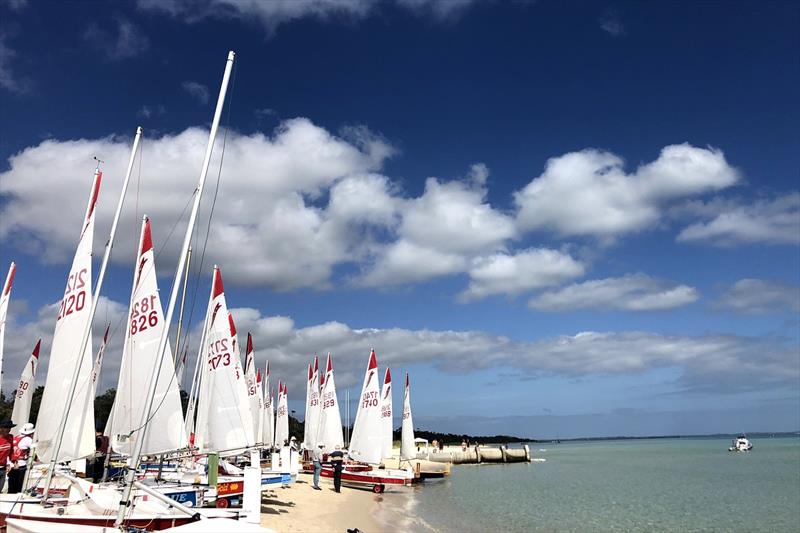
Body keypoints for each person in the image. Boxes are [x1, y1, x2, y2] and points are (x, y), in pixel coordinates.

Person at [8, 422, 35, 494]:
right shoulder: (28, 440)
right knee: (19, 487)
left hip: (12, 465)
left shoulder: (16, 438)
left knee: (11, 487)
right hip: (21, 466)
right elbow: (35, 448)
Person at [0, 420, 15, 492]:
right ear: (1, 428)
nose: (9, 429)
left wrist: (13, 461)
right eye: (6, 427)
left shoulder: (10, 437)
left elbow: (11, 451)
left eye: (10, 428)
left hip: (3, 468)